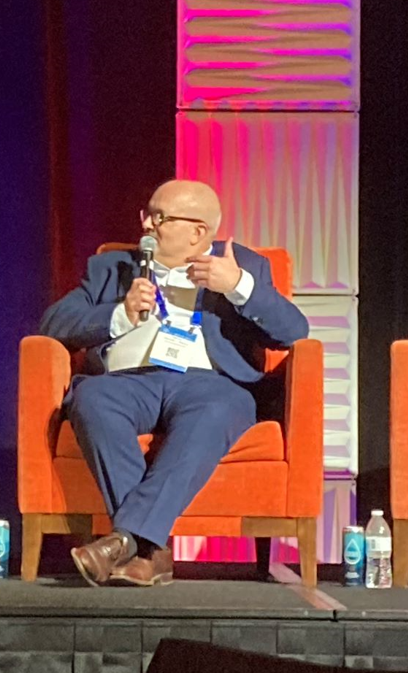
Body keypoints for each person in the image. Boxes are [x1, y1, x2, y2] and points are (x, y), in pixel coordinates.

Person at [41, 180, 310, 586]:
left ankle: (126, 543)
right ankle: (149, 550)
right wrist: (119, 314)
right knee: (91, 398)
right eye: (147, 214)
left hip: (211, 386)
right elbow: (52, 324)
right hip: (127, 382)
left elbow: (294, 332)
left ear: (198, 232)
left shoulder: (243, 266)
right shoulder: (110, 267)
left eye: (159, 217)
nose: (146, 224)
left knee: (215, 412)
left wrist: (237, 287)